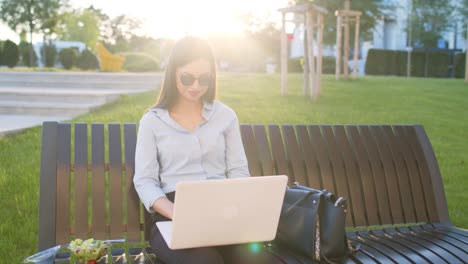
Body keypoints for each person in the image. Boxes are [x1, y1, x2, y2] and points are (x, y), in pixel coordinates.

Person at [133, 36, 281, 264]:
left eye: (204, 79)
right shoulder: (152, 121)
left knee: (257, 260)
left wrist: (235, 209)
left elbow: (238, 170)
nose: (195, 86)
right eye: (187, 77)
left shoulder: (225, 116)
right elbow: (144, 181)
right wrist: (178, 214)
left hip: (224, 212)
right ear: (173, 73)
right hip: (172, 215)